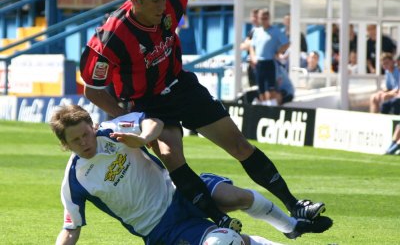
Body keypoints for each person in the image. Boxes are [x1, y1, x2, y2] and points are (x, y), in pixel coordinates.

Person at [80, 0, 326, 232]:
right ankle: (220, 219)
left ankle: (295, 204)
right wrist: (127, 117)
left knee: (239, 145)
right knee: (173, 157)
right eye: (155, 1)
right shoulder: (110, 38)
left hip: (181, 87)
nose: (162, 7)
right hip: (146, 104)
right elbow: (92, 90)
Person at [51, 105, 333, 244]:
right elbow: (71, 228)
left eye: (86, 134)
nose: (85, 143)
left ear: (92, 124)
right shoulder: (76, 180)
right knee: (224, 241)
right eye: (76, 141)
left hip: (180, 191)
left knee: (238, 197)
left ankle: (291, 227)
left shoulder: (112, 131)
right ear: (65, 146)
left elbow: (153, 120)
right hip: (161, 229)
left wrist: (143, 137)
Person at [249, 8, 291, 106]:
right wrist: (253, 57)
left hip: (269, 63)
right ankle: (263, 108)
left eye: (265, 18)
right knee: (261, 89)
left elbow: (286, 43)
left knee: (271, 89)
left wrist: (277, 52)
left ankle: (271, 108)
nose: (263, 20)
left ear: (269, 18)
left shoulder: (275, 31)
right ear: (258, 19)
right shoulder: (257, 31)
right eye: (261, 18)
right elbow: (252, 46)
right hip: (259, 64)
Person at [240, 8, 259, 87]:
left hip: (258, 64)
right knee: (252, 86)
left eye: (256, 17)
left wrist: (249, 44)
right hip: (250, 64)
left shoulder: (262, 30)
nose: (253, 19)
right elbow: (242, 46)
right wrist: (249, 44)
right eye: (252, 17)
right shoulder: (252, 31)